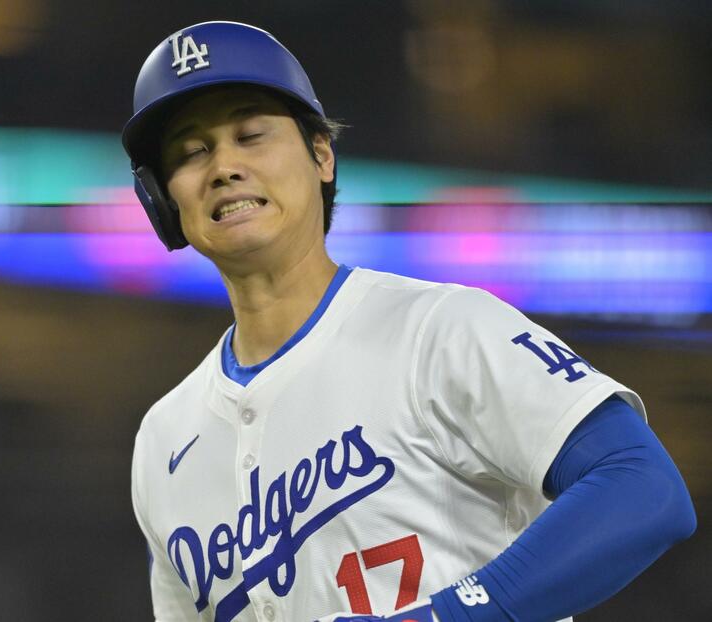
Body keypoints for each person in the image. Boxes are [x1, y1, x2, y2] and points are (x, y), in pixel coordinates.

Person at [122, 21, 696, 622]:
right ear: (162, 200)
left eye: (251, 134)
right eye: (192, 151)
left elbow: (644, 487)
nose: (224, 167)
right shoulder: (163, 440)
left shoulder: (442, 329)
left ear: (322, 154)